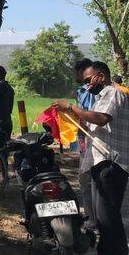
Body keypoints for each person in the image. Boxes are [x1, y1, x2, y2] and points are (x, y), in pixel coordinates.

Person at [55, 61, 129, 255]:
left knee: (108, 217)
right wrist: (76, 121)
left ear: (101, 76)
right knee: (102, 218)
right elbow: (95, 128)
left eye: (88, 80)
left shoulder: (114, 93)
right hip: (100, 162)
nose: (87, 85)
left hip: (111, 163)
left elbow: (101, 118)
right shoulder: (100, 99)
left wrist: (71, 107)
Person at [73, 58, 97, 229]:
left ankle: (93, 217)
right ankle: (93, 215)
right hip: (83, 138)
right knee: (87, 179)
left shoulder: (92, 91)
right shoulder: (80, 90)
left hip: (91, 137)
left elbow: (88, 115)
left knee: (86, 178)